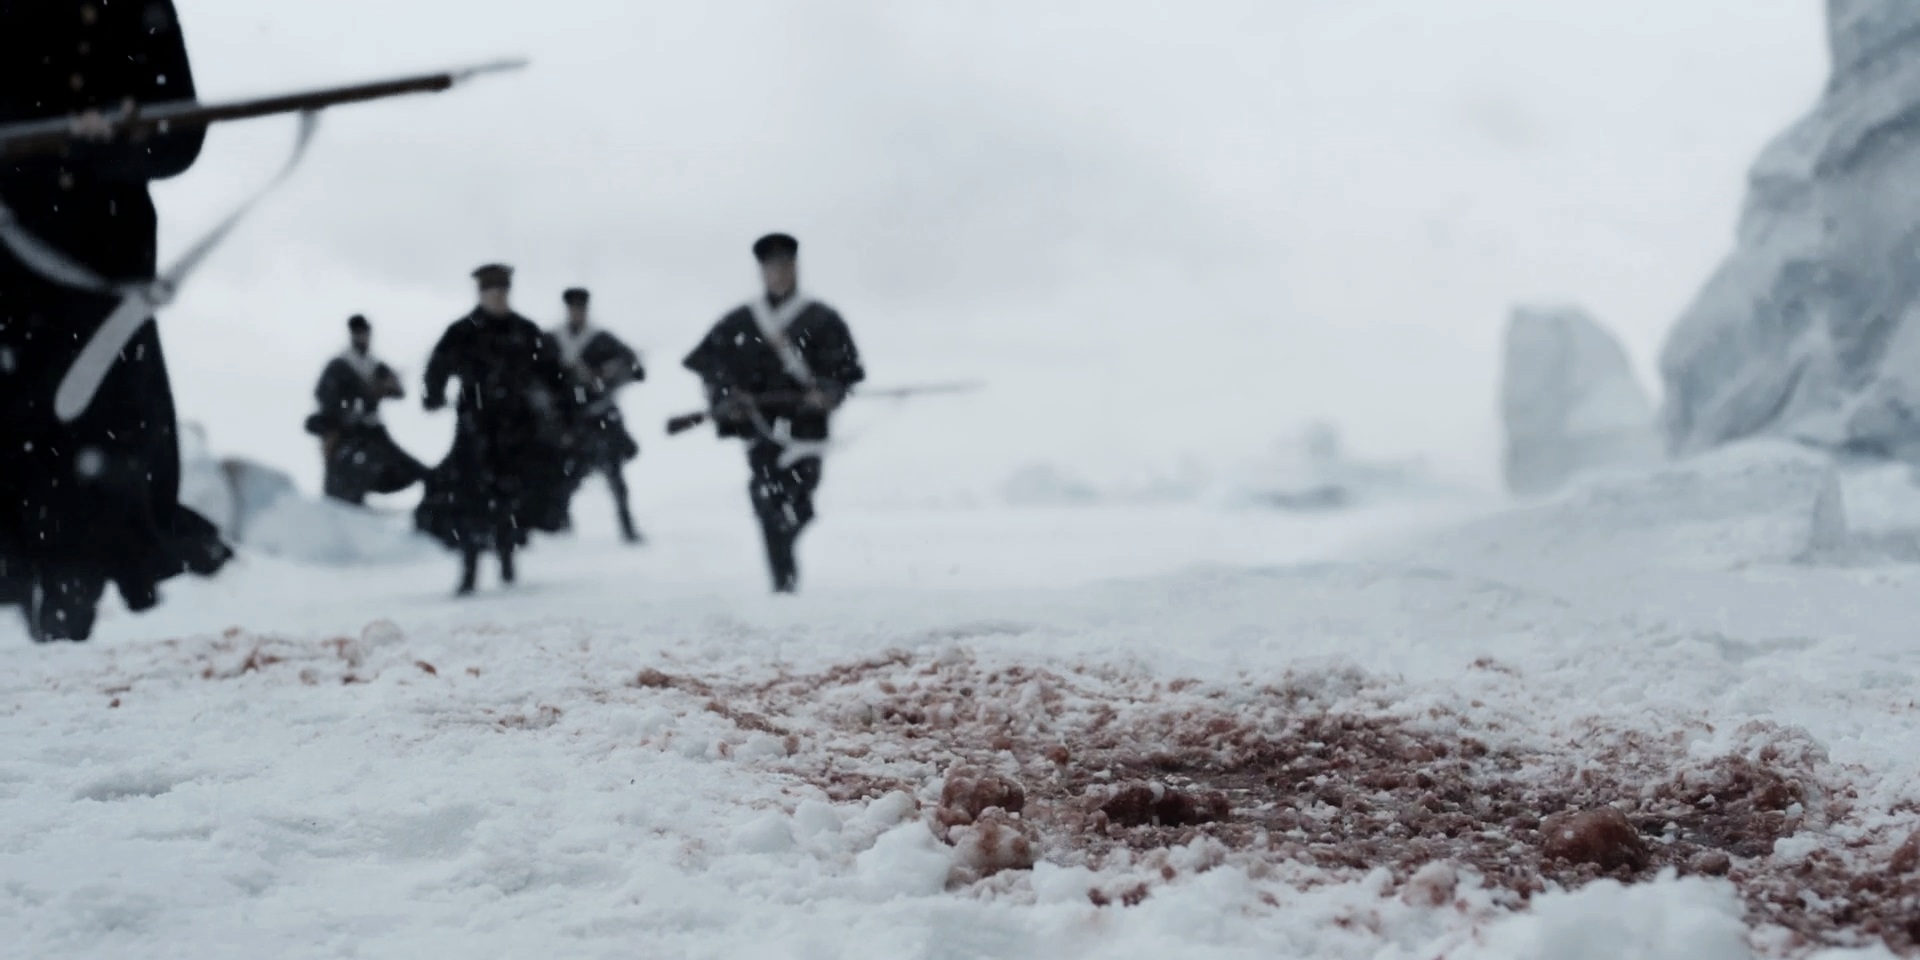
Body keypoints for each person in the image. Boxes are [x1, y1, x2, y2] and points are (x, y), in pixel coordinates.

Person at [0, 1, 232, 641]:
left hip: (105, 264)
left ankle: (71, 605)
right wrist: (41, 146)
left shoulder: (139, 9)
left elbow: (179, 135)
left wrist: (109, 146)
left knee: (102, 447)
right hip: (12, 253)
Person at [684, 233, 864, 593]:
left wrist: (827, 391)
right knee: (766, 500)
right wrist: (726, 396)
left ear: (796, 268)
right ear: (762, 272)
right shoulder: (741, 320)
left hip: (808, 428)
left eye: (785, 266)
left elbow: (846, 370)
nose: (779, 274)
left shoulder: (822, 318)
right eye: (772, 268)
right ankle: (783, 582)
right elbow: (707, 363)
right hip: (760, 427)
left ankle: (785, 553)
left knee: (801, 504)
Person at [415, 264, 577, 596]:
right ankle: (469, 568)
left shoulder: (525, 329)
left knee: (512, 494)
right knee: (470, 497)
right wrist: (433, 395)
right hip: (475, 427)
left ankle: (507, 559)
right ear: (482, 294)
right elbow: (438, 365)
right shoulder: (463, 330)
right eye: (492, 293)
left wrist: (566, 408)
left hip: (518, 427)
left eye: (503, 292)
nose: (498, 298)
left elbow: (553, 372)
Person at [547, 288, 647, 543]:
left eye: (581, 308)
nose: (577, 312)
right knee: (566, 474)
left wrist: (606, 374)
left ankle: (627, 526)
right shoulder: (552, 340)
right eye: (573, 308)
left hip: (602, 416)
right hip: (569, 419)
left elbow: (636, 368)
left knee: (615, 475)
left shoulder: (602, 339)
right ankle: (561, 522)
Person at [307, 315, 425, 505]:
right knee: (345, 477)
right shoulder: (340, 365)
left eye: (365, 333)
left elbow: (398, 392)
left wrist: (388, 384)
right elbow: (325, 395)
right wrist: (359, 398)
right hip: (347, 431)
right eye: (358, 333)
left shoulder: (375, 365)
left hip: (373, 431)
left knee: (408, 469)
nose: (362, 337)